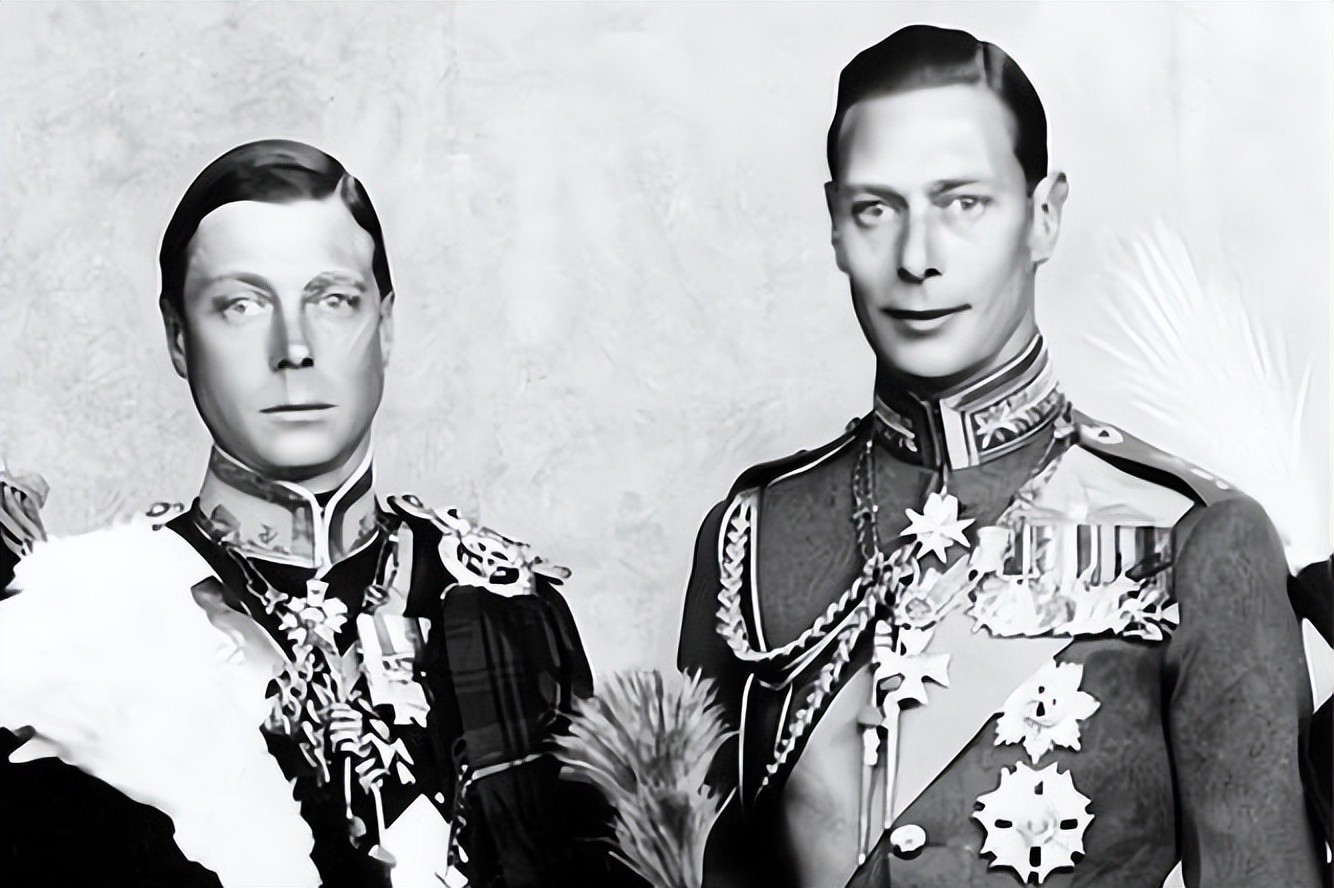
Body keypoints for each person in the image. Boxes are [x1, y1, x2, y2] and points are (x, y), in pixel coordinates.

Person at [677, 25, 1326, 887]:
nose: (917, 259)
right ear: (834, 225)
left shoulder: (1195, 537)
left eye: (963, 205)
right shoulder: (752, 538)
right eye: (876, 209)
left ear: (1044, 215)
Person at [0, 140, 623, 888]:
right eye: (240, 305)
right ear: (177, 337)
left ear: (385, 327)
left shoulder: (507, 604)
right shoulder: (90, 620)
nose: (293, 349)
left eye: (332, 300)